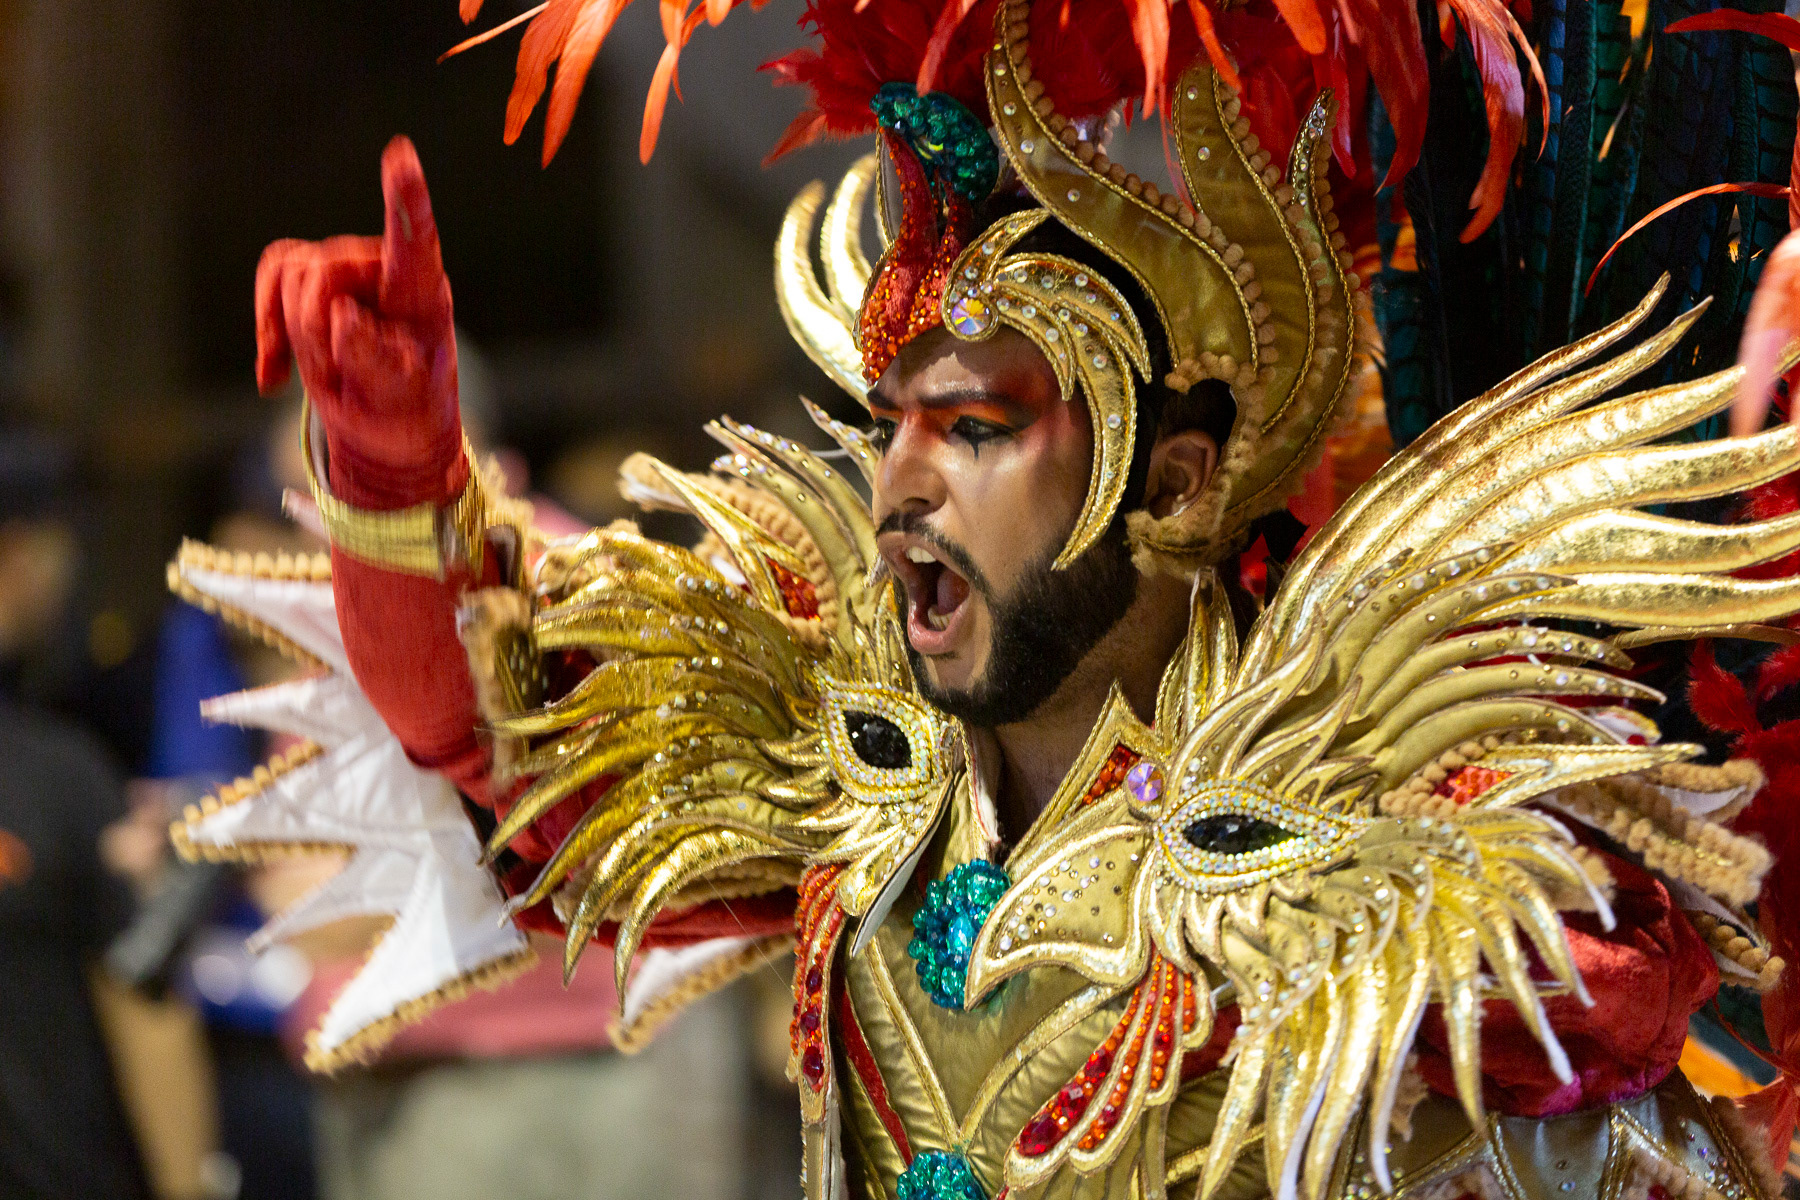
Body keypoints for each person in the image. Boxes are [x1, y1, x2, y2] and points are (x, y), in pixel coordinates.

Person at [196, 1, 1800, 1197]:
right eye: (892, 422)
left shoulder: (1342, 800)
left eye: (974, 429)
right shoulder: (858, 768)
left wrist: (1462, 960)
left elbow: (1605, 997)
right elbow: (510, 754)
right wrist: (392, 462)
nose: (902, 480)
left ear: (1177, 484)